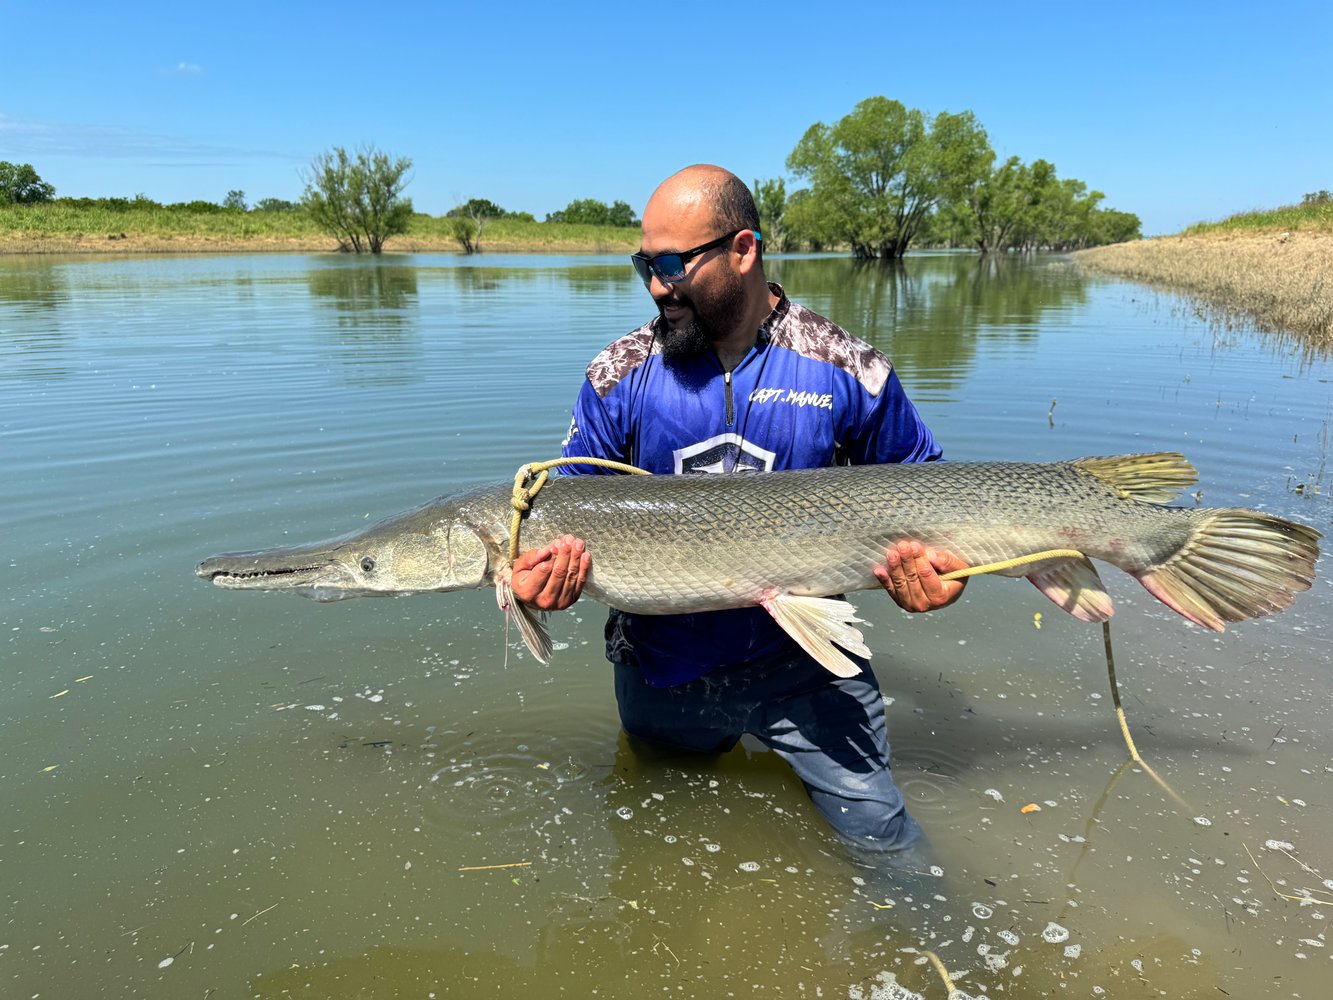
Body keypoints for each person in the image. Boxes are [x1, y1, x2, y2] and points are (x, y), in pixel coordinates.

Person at [509, 164, 966, 854]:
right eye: (645, 264)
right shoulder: (616, 376)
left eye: (671, 264)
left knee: (885, 844)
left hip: (813, 671)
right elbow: (564, 515)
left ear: (743, 249)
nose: (657, 284)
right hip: (660, 672)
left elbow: (934, 498)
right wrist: (540, 583)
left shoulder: (848, 367)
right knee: (658, 854)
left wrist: (941, 575)